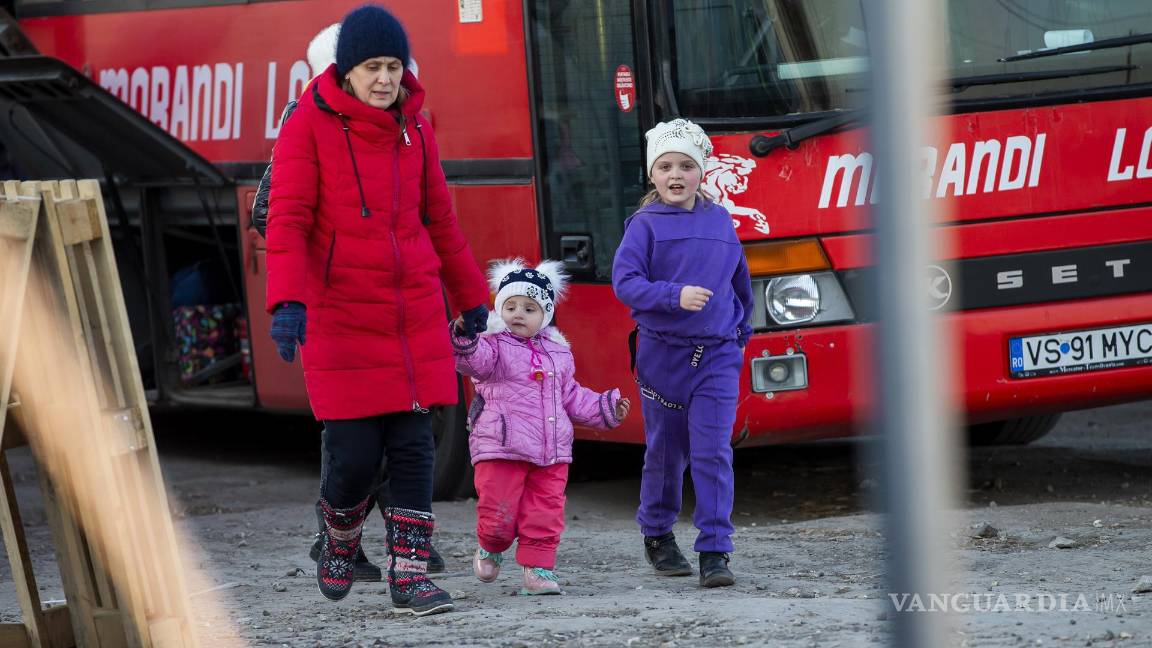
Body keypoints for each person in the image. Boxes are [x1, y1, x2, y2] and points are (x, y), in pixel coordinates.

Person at [265, 4, 489, 616]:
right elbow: (288, 220)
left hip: (411, 312)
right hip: (340, 315)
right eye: (372, 67)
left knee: (416, 449)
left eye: (394, 66)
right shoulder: (308, 125)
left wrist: (470, 296)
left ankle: (409, 577)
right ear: (347, 71)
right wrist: (288, 300)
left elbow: (441, 220)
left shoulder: (416, 129)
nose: (386, 78)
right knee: (356, 457)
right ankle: (340, 535)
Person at [611, 118, 753, 588]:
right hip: (662, 357)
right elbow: (625, 283)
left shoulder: (720, 220)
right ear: (652, 174)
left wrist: (740, 332)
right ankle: (657, 534)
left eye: (686, 166)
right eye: (666, 166)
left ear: (701, 172)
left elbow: (740, 282)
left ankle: (715, 550)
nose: (676, 175)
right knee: (666, 453)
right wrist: (675, 296)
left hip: (717, 355)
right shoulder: (644, 226)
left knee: (713, 452)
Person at [452, 259, 631, 595]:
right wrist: (465, 335)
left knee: (545, 512)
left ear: (545, 315)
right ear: (499, 309)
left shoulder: (558, 353)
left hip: (551, 452)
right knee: (499, 513)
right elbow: (472, 362)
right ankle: (490, 544)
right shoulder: (492, 346)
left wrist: (606, 408)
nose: (518, 314)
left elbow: (572, 396)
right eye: (511, 306)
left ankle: (538, 569)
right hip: (502, 446)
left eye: (529, 308)